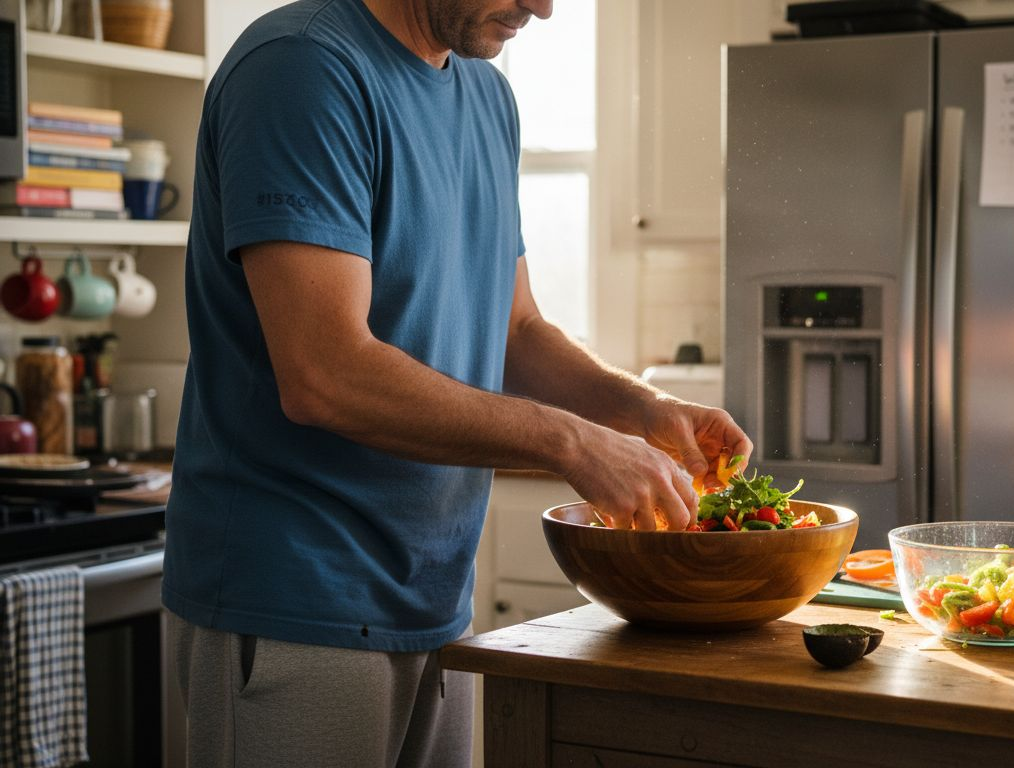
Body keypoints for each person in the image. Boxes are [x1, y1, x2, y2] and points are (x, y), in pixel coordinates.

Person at [161, 1, 752, 766]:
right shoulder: (300, 68)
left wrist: (646, 407)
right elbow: (323, 373)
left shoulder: (484, 92)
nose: (542, 7)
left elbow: (516, 331)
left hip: (439, 601)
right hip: (293, 603)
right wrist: (571, 441)